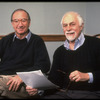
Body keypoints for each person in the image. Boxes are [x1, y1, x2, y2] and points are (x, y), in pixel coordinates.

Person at [40, 11, 100, 99]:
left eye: (72, 24)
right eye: (65, 25)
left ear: (81, 26)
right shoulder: (59, 51)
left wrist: (87, 76)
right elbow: (54, 80)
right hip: (63, 93)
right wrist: (39, 90)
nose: (68, 28)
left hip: (90, 93)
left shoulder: (96, 44)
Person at [0, 8, 50, 99]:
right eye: (16, 21)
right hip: (3, 78)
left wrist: (22, 77)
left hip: (23, 83)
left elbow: (44, 65)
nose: (20, 24)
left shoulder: (37, 41)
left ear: (29, 22)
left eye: (23, 20)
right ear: (12, 23)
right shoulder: (5, 40)